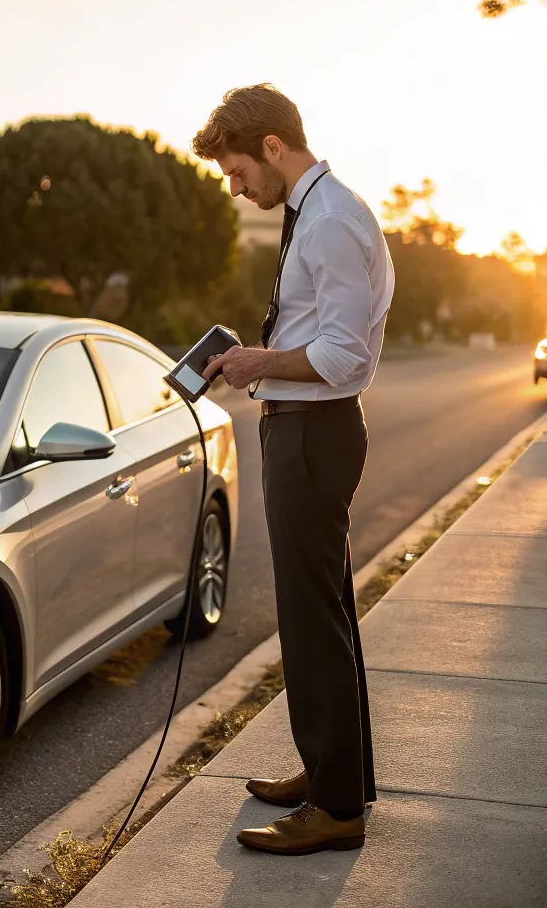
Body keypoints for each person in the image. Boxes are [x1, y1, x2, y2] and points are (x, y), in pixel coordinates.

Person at [195, 84, 394, 855]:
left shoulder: (333, 220)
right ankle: (333, 773)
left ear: (273, 146)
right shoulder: (314, 213)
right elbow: (323, 332)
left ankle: (337, 810)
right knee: (324, 613)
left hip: (314, 435)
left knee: (313, 621)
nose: (237, 187)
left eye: (238, 171)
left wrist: (257, 362)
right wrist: (262, 361)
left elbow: (344, 355)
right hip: (303, 430)